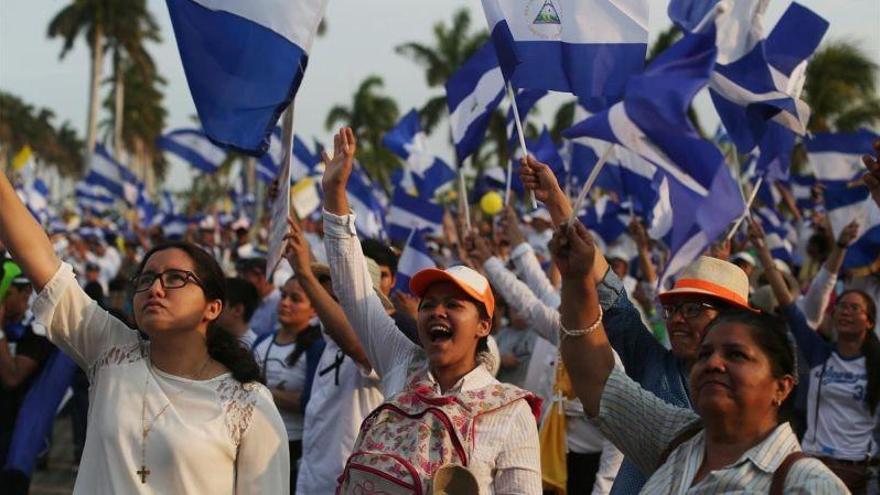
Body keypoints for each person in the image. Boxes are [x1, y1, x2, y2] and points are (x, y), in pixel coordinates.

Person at [0, 170, 289, 493]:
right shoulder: (110, 350)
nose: (156, 288)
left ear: (213, 308)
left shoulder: (247, 403)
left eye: (176, 278)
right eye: (147, 279)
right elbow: (40, 261)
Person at [550, 219, 848, 493]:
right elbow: (597, 380)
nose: (713, 364)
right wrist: (576, 279)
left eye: (736, 355)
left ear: (782, 386)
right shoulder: (674, 438)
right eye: (705, 355)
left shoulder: (808, 485)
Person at [321, 128, 542, 493]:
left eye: (453, 304)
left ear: (484, 325)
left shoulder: (509, 412)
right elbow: (353, 288)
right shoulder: (402, 364)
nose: (436, 312)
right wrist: (334, 196)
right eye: (428, 304)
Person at [520, 155, 753, 494]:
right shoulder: (656, 367)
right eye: (672, 310)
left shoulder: (757, 404)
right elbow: (610, 294)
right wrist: (556, 200)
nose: (677, 321)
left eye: (693, 309)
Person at [752, 218, 879, 494]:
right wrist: (762, 250)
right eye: (842, 306)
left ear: (870, 322)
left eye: (854, 308)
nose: (845, 311)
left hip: (859, 475)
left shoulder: (877, 366)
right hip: (812, 469)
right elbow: (787, 303)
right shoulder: (819, 352)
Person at [282, 217, 384, 495]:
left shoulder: (379, 342)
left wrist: (304, 274)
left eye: (334, 298)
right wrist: (286, 207)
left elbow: (355, 344)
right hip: (313, 481)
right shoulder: (328, 340)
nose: (324, 305)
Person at [252, 275, 325, 494]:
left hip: (292, 445)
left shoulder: (317, 347)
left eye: (296, 299)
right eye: (283, 295)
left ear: (314, 310)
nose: (285, 302)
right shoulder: (261, 340)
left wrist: (260, 390)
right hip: (255, 441)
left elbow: (309, 401)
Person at [0, 264, 54, 466]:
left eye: (8, 293)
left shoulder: (38, 328)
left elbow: (12, 377)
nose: (3, 300)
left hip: (17, 432)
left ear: (25, 291)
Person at [238, 257, 281, 336]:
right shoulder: (254, 299)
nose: (244, 285)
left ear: (260, 278)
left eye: (247, 280)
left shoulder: (280, 304)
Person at [216, 277, 260, 348]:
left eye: (219, 303)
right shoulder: (213, 342)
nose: (213, 307)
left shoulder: (257, 349)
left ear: (237, 310)